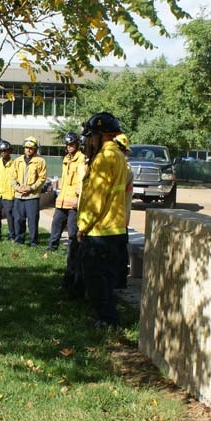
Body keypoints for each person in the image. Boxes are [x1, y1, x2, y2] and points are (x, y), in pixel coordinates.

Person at [75, 112, 129, 328]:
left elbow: (96, 197)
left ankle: (107, 320)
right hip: (115, 229)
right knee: (106, 279)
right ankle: (109, 318)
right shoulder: (118, 156)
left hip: (100, 231)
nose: (88, 141)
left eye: (91, 136)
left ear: (102, 135)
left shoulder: (104, 158)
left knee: (95, 279)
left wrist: (82, 226)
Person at [47, 131, 86, 251]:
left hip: (73, 200)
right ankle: (52, 247)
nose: (69, 146)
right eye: (67, 144)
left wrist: (77, 197)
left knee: (72, 228)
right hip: (62, 199)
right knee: (56, 223)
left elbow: (81, 180)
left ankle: (72, 251)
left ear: (77, 144)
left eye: (72, 144)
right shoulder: (66, 159)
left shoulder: (81, 158)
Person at [10, 136, 47, 247]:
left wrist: (31, 188)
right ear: (24, 148)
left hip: (32, 197)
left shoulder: (40, 161)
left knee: (32, 220)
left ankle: (33, 241)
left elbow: (42, 178)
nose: (28, 150)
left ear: (35, 149)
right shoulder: (17, 161)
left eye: (31, 148)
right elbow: (12, 177)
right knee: (18, 220)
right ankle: (19, 239)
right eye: (26, 147)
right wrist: (18, 188)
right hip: (19, 196)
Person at [114, 132, 134, 289]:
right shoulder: (119, 166)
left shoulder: (125, 169)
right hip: (116, 215)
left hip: (119, 216)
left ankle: (120, 281)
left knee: (120, 250)